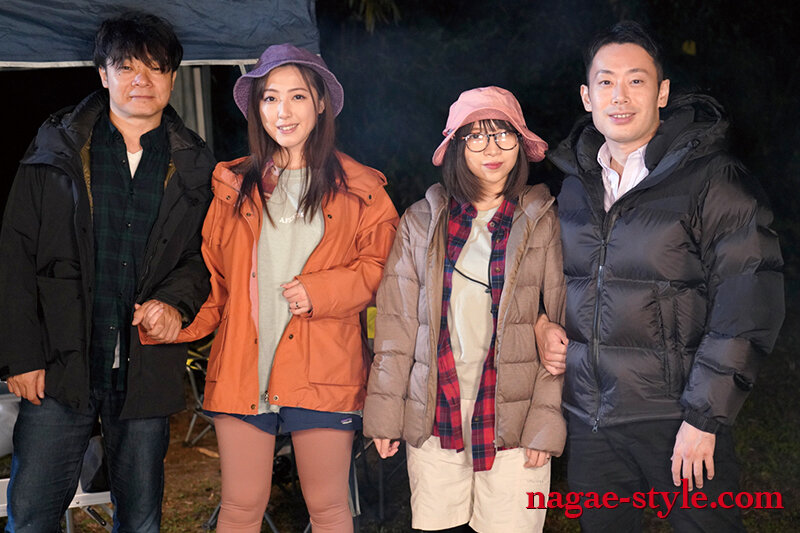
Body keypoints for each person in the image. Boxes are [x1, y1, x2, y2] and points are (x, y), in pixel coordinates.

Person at [138, 43, 398, 532]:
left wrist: (322, 290)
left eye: (297, 96)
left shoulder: (362, 189)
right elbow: (216, 281)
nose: (284, 111)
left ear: (320, 103)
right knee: (240, 507)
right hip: (243, 367)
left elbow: (383, 268)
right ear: (257, 108)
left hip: (325, 368)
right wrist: (174, 320)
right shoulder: (231, 185)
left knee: (328, 507)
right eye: (270, 98)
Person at [539, 20, 785, 531]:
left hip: (677, 418)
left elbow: (747, 301)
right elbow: (552, 280)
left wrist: (704, 417)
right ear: (587, 96)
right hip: (591, 422)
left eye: (637, 80)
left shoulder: (712, 179)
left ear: (662, 92)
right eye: (606, 82)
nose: (620, 96)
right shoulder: (574, 187)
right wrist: (543, 323)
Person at [0, 11, 215, 532]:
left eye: (155, 68)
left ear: (172, 78)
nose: (141, 80)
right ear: (103, 74)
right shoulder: (56, 150)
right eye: (126, 67)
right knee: (30, 516)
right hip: (59, 365)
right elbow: (14, 257)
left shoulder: (195, 165)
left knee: (140, 520)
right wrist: (21, 358)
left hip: (145, 368)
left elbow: (203, 258)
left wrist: (176, 303)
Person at [364, 86, 567, 533]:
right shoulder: (421, 222)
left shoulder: (543, 221)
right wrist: (385, 414)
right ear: (456, 146)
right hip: (436, 413)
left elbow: (559, 332)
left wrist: (544, 421)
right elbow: (396, 328)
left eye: (503, 134)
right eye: (475, 136)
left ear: (520, 143)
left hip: (514, 419)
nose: (492, 149)